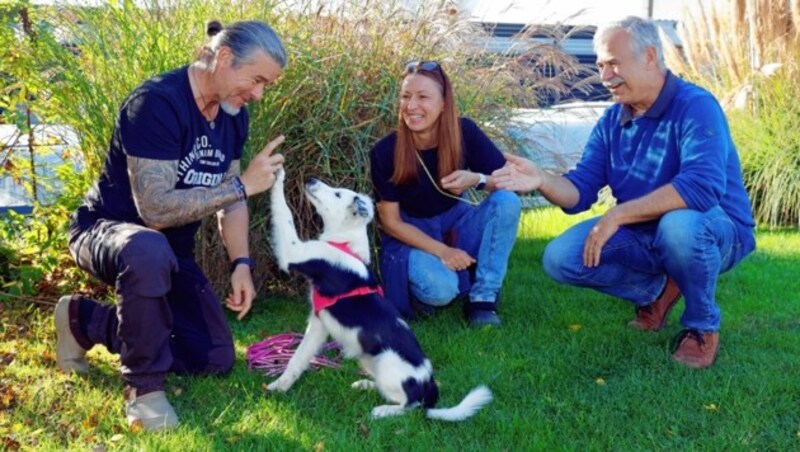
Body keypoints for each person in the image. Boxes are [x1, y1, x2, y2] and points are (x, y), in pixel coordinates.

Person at [54, 20, 288, 430]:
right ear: (226, 58)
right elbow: (156, 211)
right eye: (256, 80)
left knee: (213, 356)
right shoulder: (156, 103)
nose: (258, 94)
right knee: (148, 247)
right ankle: (144, 390)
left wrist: (241, 264)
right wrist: (241, 185)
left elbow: (232, 202)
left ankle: (82, 321)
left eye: (266, 85)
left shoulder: (233, 117)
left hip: (168, 253)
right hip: (108, 231)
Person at [493, 16, 756, 369]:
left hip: (717, 230)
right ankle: (658, 292)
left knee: (679, 228)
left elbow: (700, 187)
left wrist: (617, 215)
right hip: (648, 229)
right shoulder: (611, 121)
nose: (604, 77)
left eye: (613, 64)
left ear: (649, 57)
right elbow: (581, 189)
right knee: (561, 257)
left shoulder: (696, 106)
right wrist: (541, 178)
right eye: (601, 66)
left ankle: (701, 327)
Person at [370, 61, 522, 327]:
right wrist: (443, 252)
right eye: (406, 96)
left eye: (423, 97)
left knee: (507, 201)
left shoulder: (465, 132)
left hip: (456, 226)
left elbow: (510, 179)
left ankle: (483, 298)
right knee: (441, 290)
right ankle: (431, 287)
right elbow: (391, 222)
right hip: (412, 236)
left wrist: (477, 179)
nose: (411, 106)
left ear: (443, 103)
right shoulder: (385, 151)